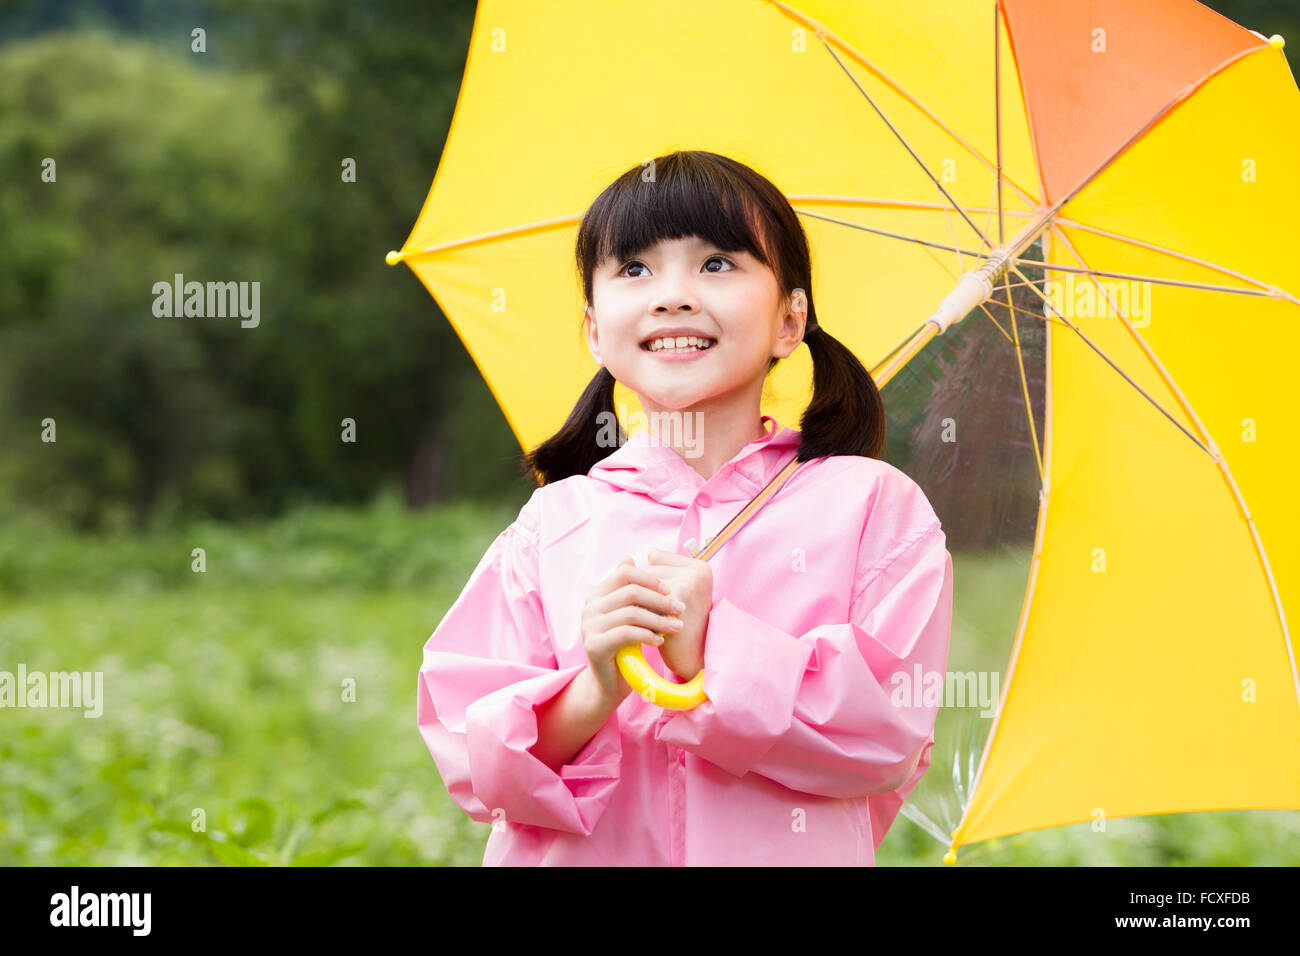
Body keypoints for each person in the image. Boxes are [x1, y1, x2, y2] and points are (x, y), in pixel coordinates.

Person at [417, 149, 954, 865]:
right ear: (594, 330)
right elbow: (475, 762)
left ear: (790, 322)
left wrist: (712, 648)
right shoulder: (555, 524)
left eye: (717, 264)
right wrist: (594, 686)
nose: (672, 295)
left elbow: (885, 738)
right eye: (634, 269)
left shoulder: (872, 510)